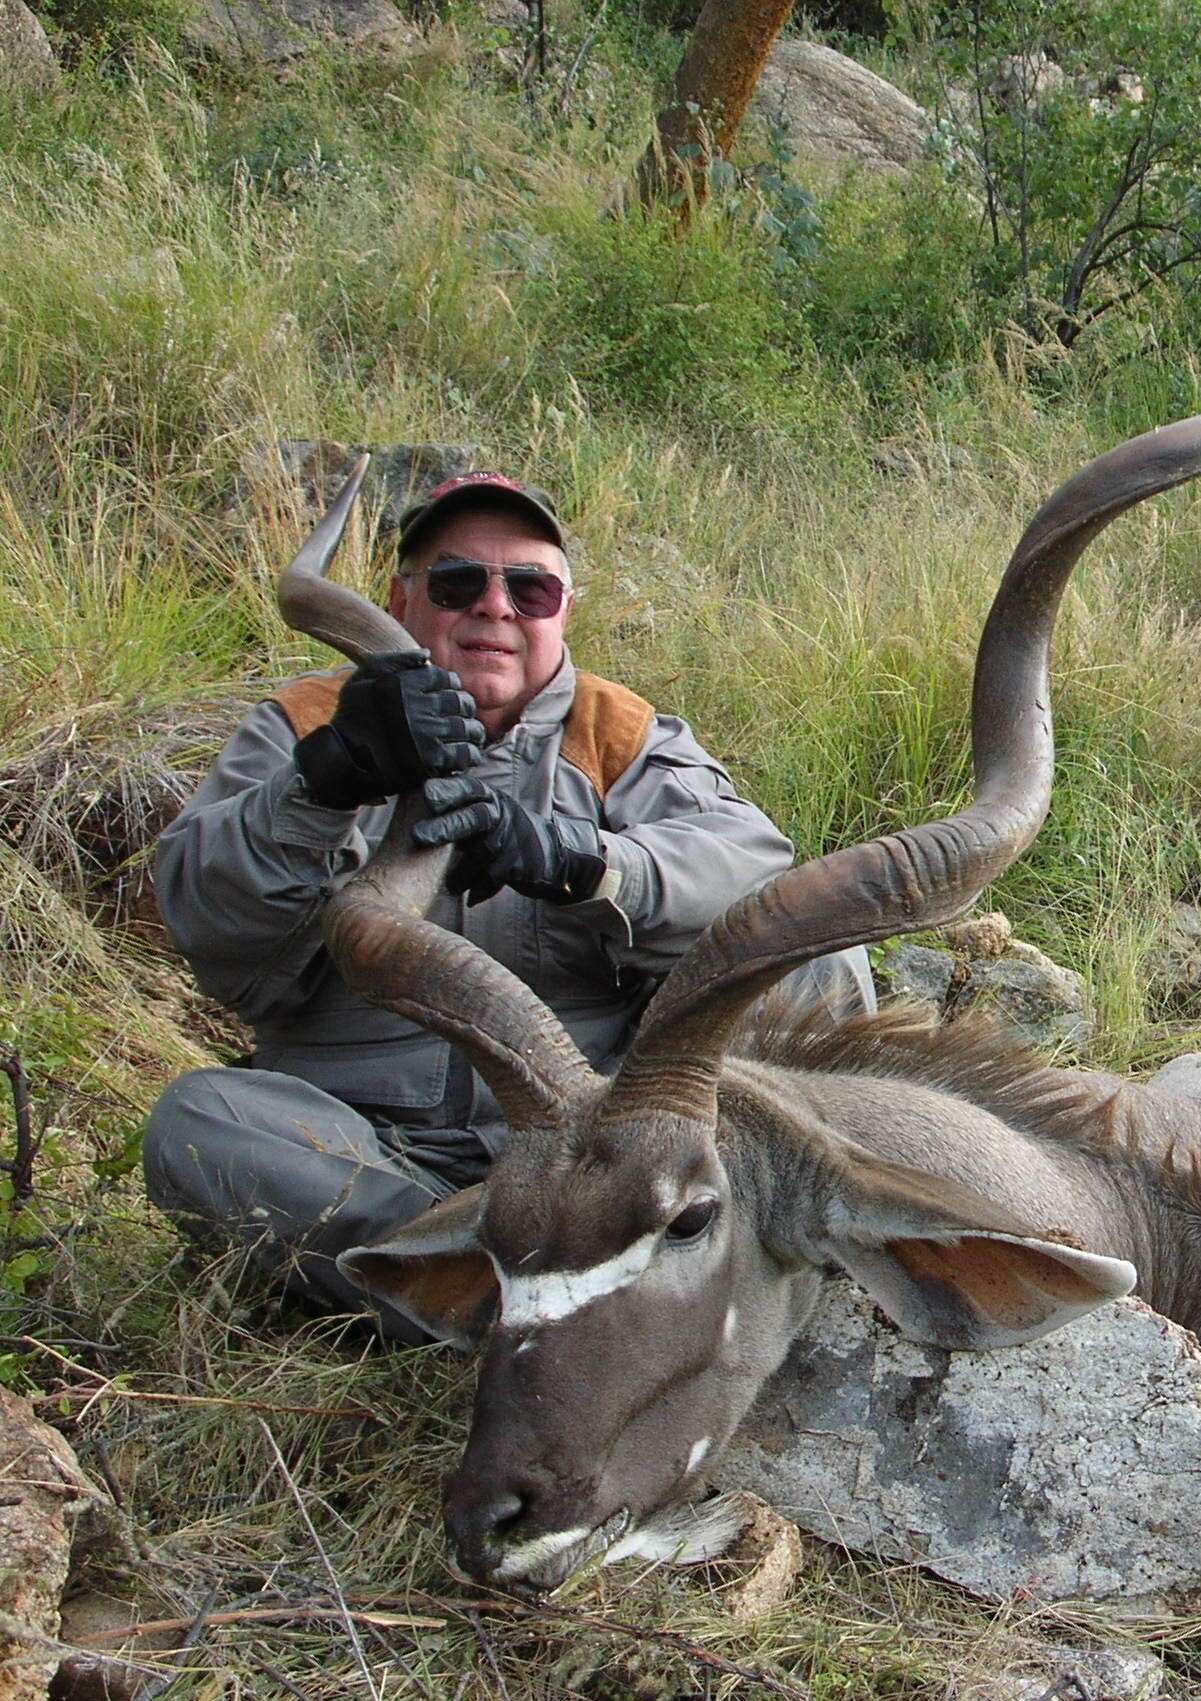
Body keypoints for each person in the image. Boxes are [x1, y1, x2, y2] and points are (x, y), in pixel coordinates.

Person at [143, 471, 872, 1337]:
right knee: (200, 1124)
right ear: (400, 599)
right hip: (374, 1150)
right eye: (458, 583)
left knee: (811, 953)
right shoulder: (305, 725)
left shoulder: (619, 734)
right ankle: (518, 1303)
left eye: (529, 586)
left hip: (603, 1163)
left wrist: (580, 860)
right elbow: (206, 921)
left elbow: (752, 869)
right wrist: (329, 778)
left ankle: (655, 1258)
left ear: (561, 609)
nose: (495, 608)